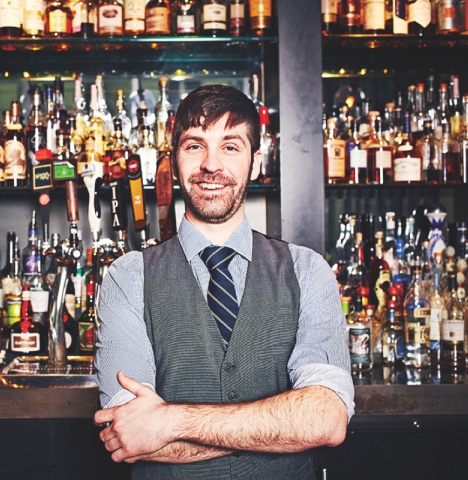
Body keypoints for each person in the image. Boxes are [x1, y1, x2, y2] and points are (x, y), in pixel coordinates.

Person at [93, 84, 354, 479]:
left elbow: (326, 420)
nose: (211, 164)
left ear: (256, 161)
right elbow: (128, 431)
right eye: (195, 145)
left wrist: (170, 423)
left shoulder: (307, 271)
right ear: (174, 159)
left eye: (230, 147)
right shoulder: (126, 278)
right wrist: (279, 428)